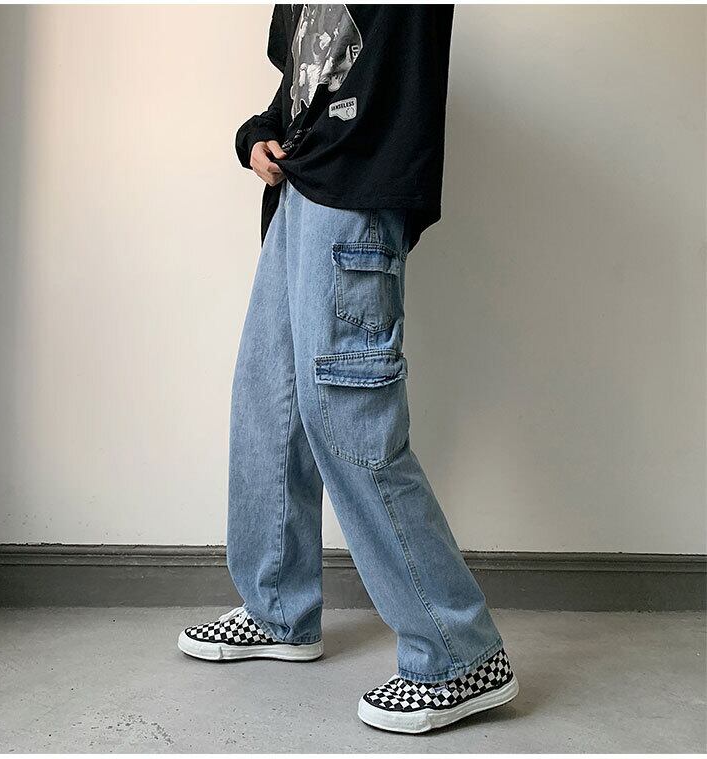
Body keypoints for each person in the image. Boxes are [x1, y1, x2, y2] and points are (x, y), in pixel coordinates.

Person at [178, 5, 518, 734]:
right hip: (297, 195)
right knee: (268, 401)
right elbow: (306, 86)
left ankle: (460, 653)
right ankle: (278, 609)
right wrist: (257, 136)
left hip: (355, 199)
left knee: (352, 423)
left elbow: (388, 80)